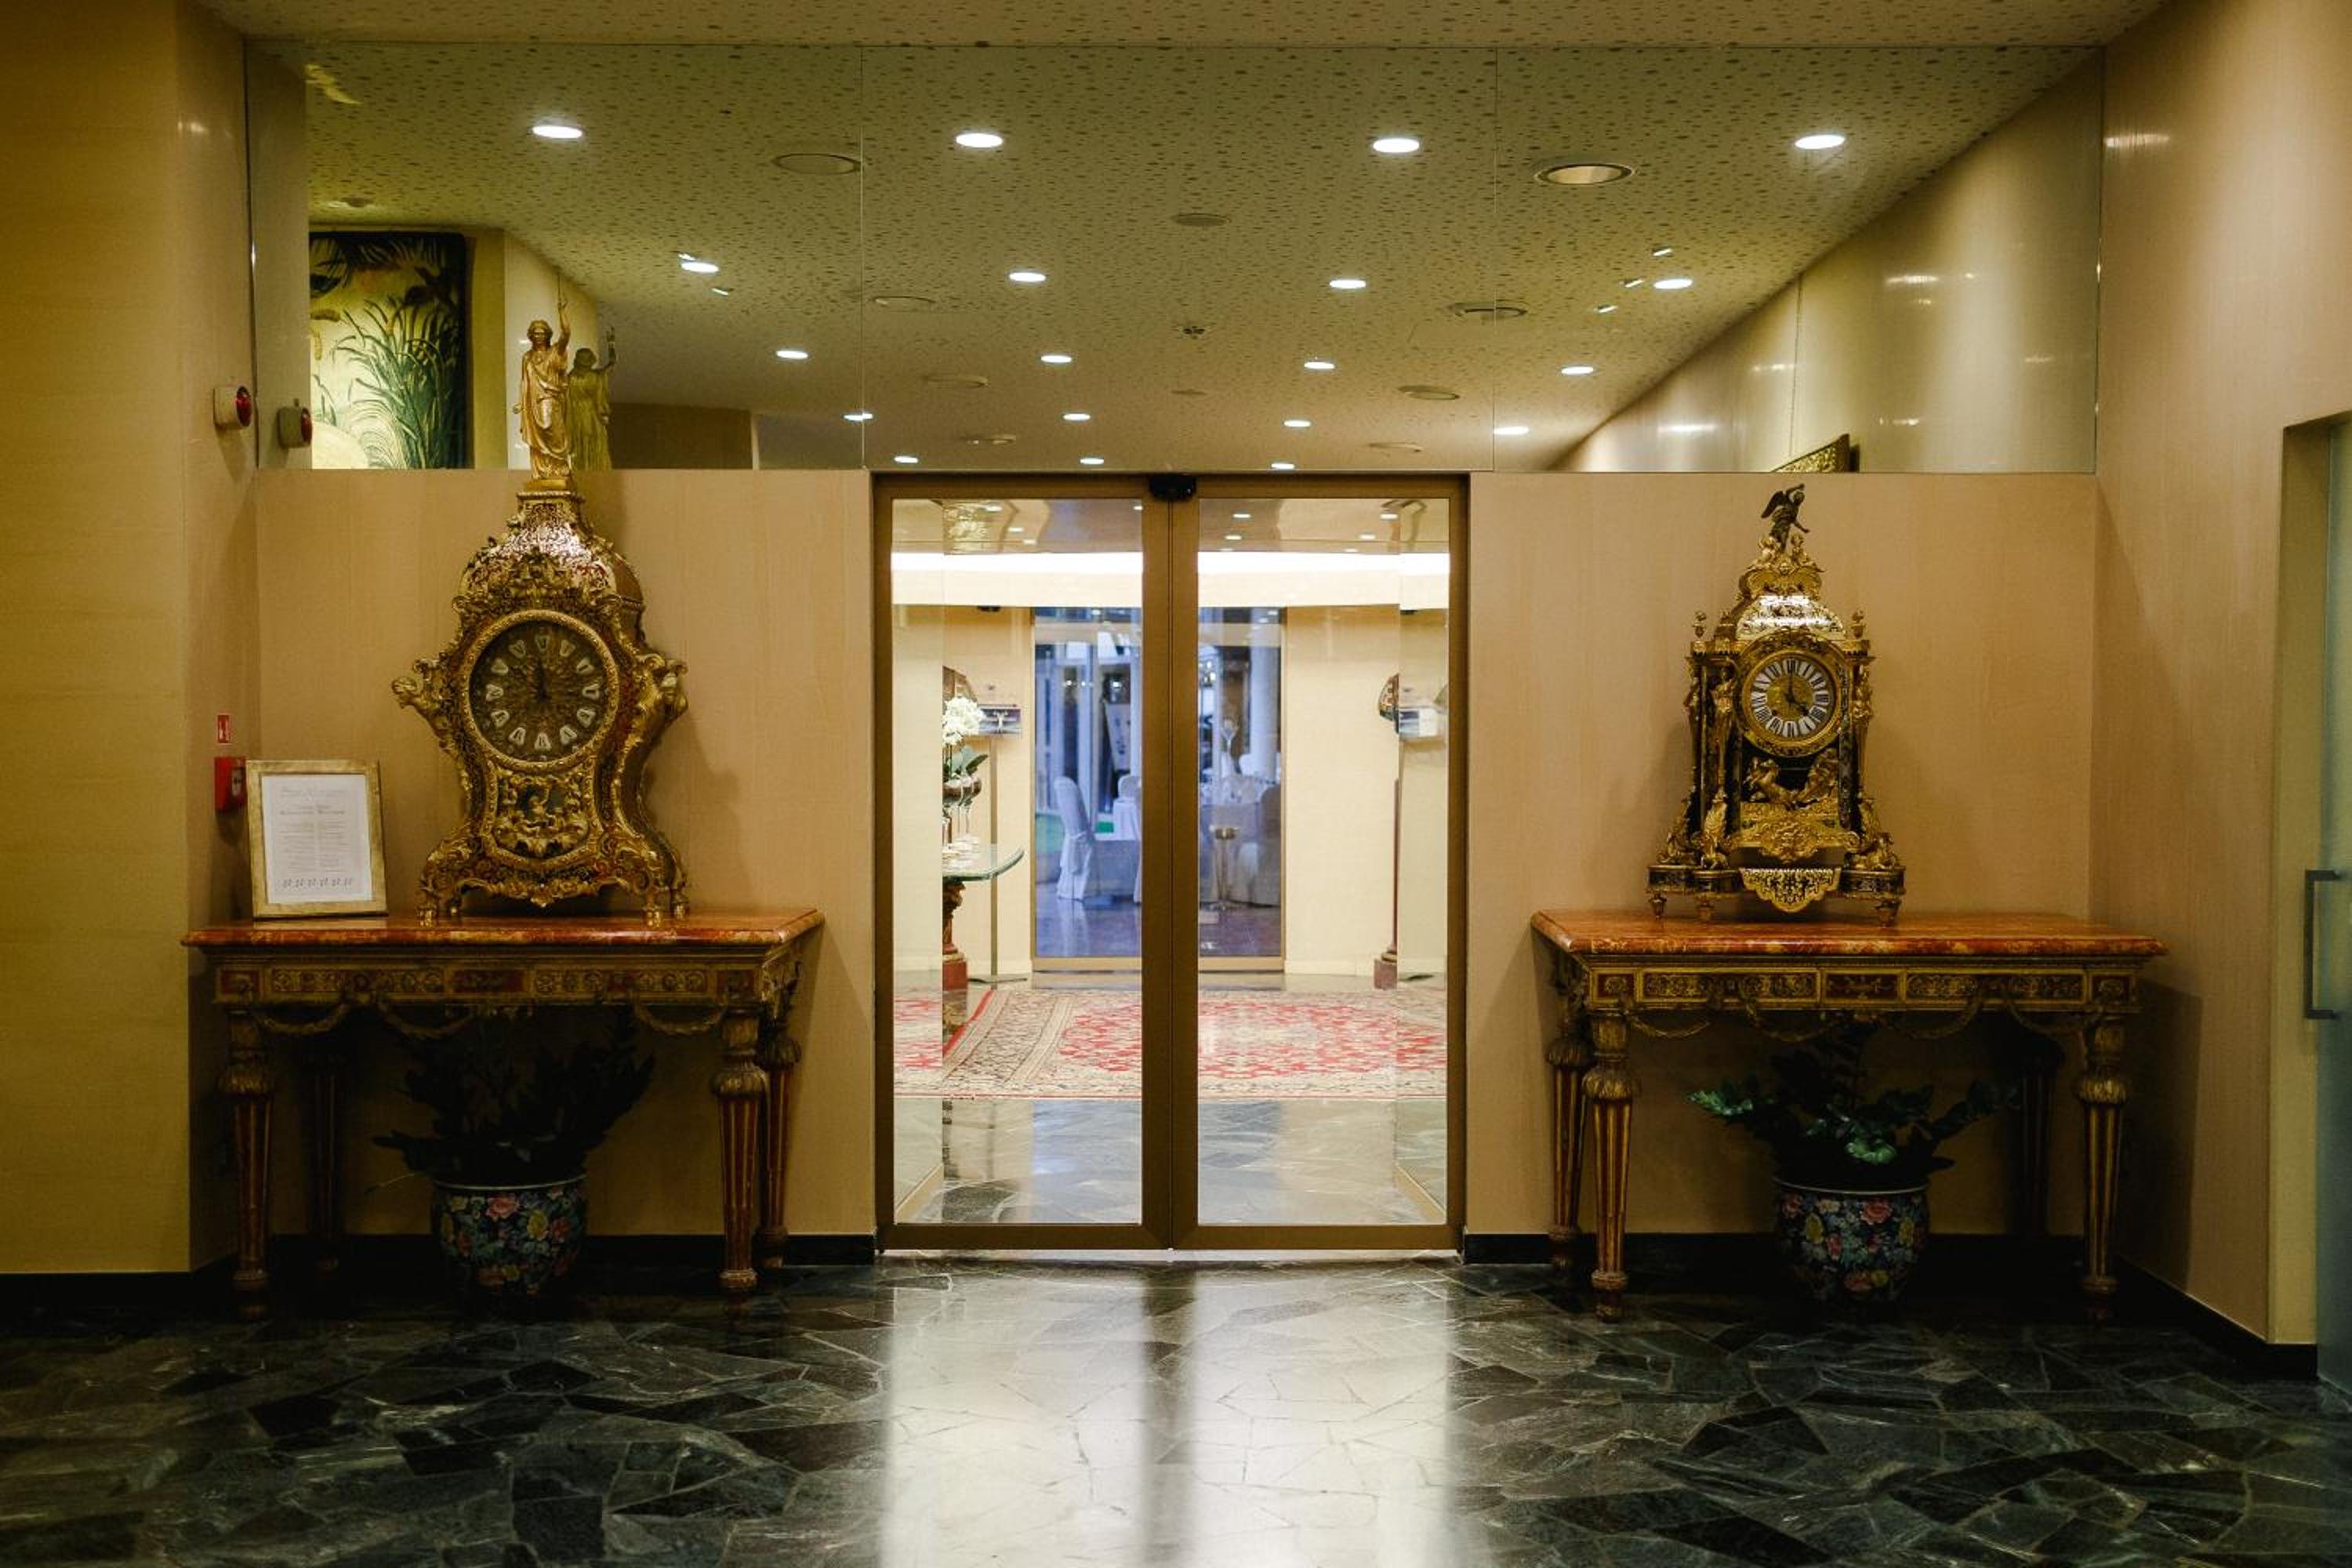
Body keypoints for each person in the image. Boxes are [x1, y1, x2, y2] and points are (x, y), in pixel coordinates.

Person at [516, 293, 572, 487]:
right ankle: (543, 472)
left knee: (553, 433)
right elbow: (524, 382)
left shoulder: (555, 352)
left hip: (551, 399)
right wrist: (521, 403)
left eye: (542, 333)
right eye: (535, 333)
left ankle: (559, 469)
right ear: (531, 336)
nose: (538, 336)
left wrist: (562, 311)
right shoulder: (527, 357)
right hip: (533, 402)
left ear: (548, 335)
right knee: (538, 439)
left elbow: (566, 334)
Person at [568, 333, 616, 472]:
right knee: (595, 441)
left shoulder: (569, 378)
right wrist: (611, 345)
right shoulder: (596, 376)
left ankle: (582, 469)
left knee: (580, 443)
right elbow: (612, 363)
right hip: (593, 414)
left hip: (576, 415)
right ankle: (593, 469)